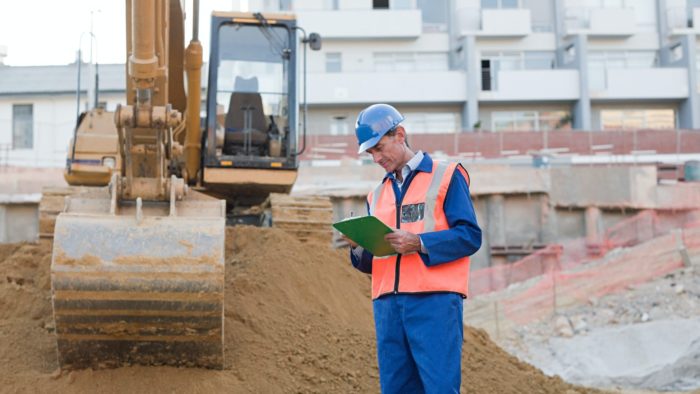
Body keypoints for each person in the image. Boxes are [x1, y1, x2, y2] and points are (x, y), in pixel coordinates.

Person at [347, 103, 481, 393]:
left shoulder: (445, 176)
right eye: (371, 153)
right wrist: (359, 246)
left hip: (433, 301)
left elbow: (470, 236)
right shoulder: (377, 193)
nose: (377, 158)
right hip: (387, 306)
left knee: (439, 387)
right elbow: (373, 260)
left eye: (380, 148)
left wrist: (419, 243)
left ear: (400, 135)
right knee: (395, 389)